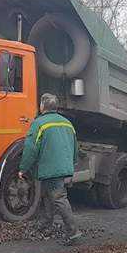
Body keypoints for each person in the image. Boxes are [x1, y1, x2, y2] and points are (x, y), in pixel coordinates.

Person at [19, 93, 80, 245]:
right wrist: (72, 163)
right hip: (62, 166)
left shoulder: (39, 123)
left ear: (42, 106)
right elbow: (75, 147)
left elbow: (31, 148)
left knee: (59, 198)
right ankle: (46, 224)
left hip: (51, 168)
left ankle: (73, 232)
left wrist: (23, 168)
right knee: (47, 195)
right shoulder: (67, 123)